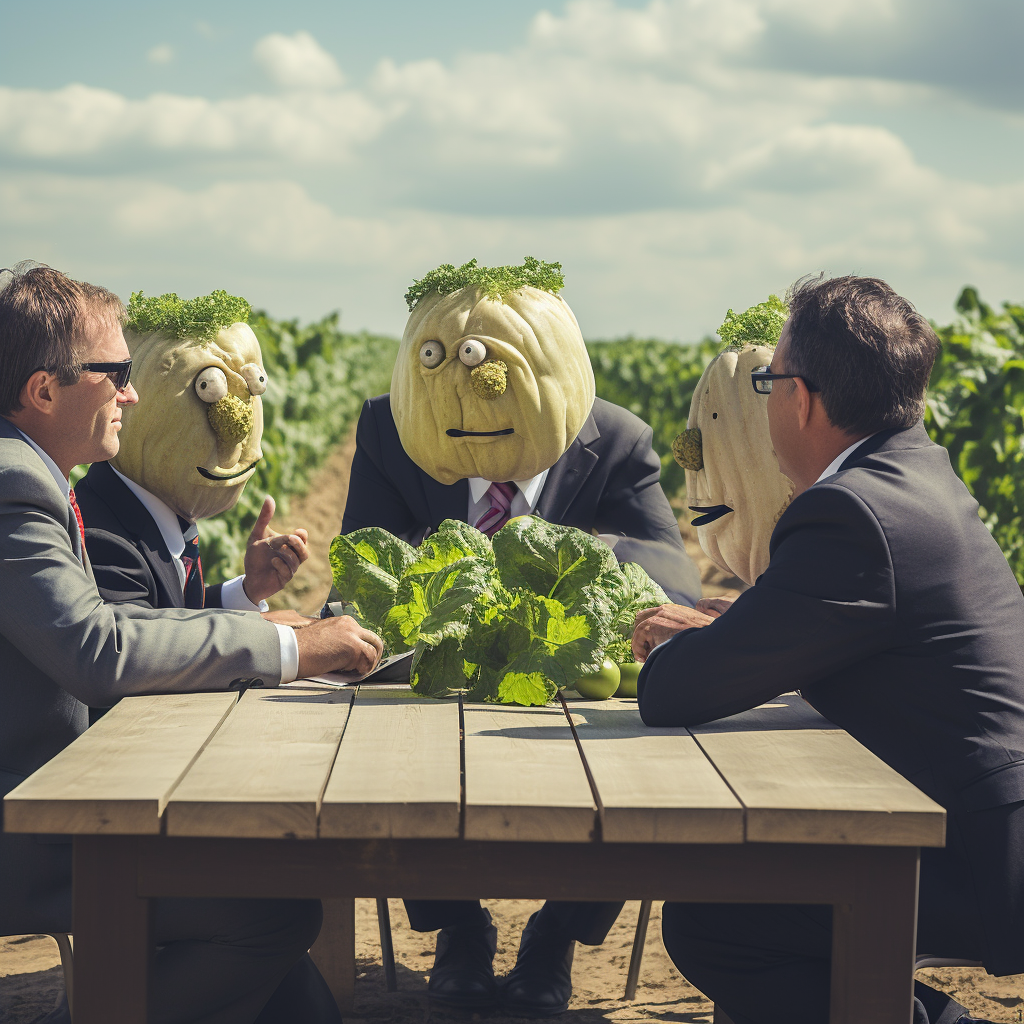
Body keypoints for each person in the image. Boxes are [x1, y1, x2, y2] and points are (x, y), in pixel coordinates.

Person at [631, 274, 1024, 1024]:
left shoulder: (850, 513)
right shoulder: (915, 473)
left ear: (801, 399)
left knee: (718, 919)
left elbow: (675, 692)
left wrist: (689, 643)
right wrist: (746, 631)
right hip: (989, 818)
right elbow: (845, 629)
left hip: (979, 855)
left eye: (769, 381)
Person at [0, 263, 384, 1024]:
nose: (132, 394)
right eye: (115, 374)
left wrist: (258, 627)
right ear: (45, 393)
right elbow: (97, 650)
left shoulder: (32, 472)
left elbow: (113, 623)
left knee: (283, 950)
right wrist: (286, 649)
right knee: (270, 913)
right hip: (30, 825)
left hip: (60, 803)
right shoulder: (16, 486)